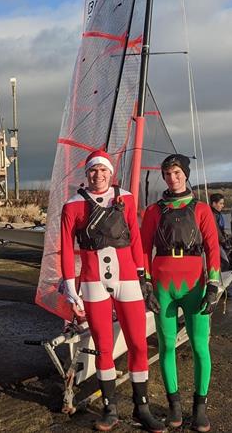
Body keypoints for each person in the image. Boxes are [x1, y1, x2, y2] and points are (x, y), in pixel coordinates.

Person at [60, 149, 164, 432]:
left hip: (128, 279)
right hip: (94, 283)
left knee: (138, 344)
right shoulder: (72, 205)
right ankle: (110, 409)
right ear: (87, 174)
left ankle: (141, 407)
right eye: (93, 170)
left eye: (103, 170)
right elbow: (67, 249)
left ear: (111, 172)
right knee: (103, 347)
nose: (98, 175)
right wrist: (71, 288)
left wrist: (144, 277)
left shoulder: (126, 197)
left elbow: (135, 236)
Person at [140, 154, 222, 432]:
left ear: (185, 174)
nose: (172, 178)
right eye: (167, 174)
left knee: (200, 347)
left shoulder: (201, 209)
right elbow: (142, 248)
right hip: (162, 286)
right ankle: (174, 406)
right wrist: (146, 283)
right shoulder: (154, 211)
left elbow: (212, 248)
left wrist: (213, 284)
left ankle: (200, 407)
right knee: (166, 347)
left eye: (176, 173)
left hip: (194, 285)